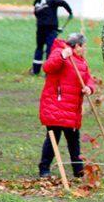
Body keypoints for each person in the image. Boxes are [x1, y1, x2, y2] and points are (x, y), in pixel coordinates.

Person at [37, 33, 94, 179]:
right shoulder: (59, 52)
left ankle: (78, 170)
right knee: (53, 139)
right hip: (56, 106)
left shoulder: (81, 61)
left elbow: (88, 79)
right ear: (77, 46)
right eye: (83, 46)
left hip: (72, 108)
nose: (85, 49)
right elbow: (48, 67)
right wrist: (62, 55)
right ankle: (44, 168)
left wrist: (89, 88)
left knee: (74, 140)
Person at [32, 0, 73, 75]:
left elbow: (42, 17)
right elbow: (62, 2)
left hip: (40, 29)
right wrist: (70, 12)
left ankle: (36, 70)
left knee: (39, 48)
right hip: (51, 29)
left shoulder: (37, 4)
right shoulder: (51, 0)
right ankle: (48, 72)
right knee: (50, 49)